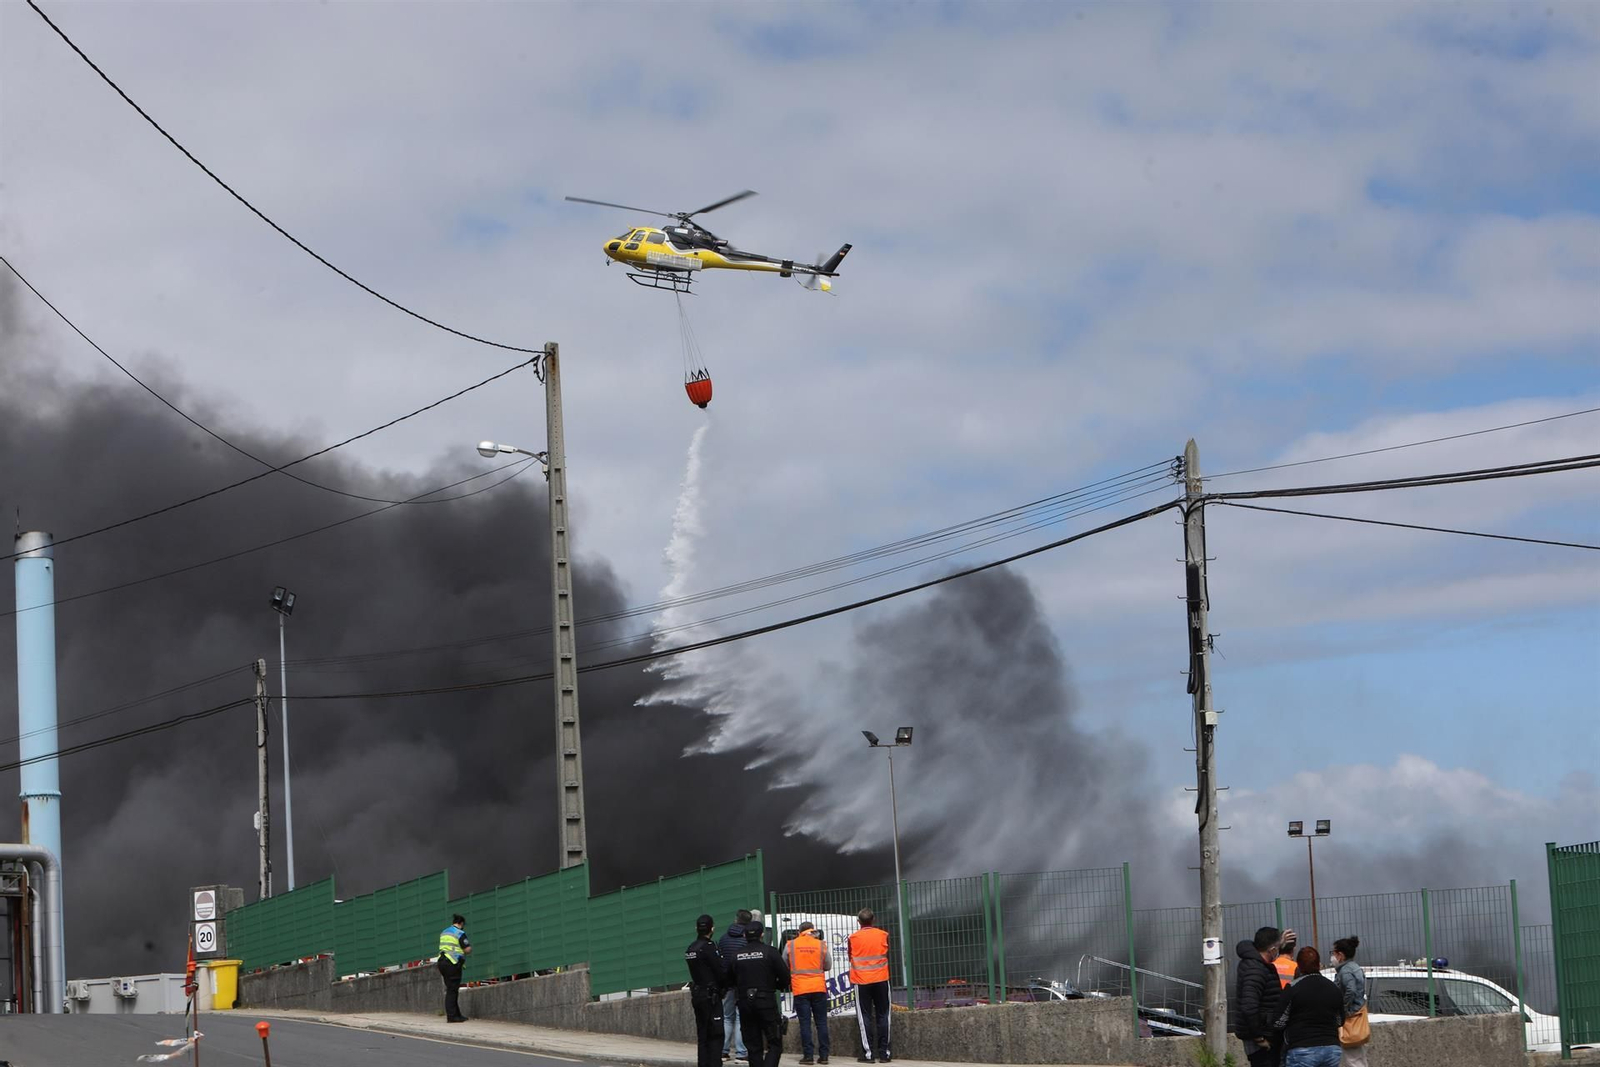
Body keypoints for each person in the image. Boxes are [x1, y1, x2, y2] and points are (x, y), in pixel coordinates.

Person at [1274, 946, 1344, 1067]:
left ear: (1299, 966)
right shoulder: (1333, 988)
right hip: (1331, 1049)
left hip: (1302, 1049)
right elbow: (1340, 1021)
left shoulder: (1293, 988)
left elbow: (1279, 1022)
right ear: (1318, 965)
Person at [732, 919, 790, 1067]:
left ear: (745, 935)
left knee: (753, 1046)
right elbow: (785, 976)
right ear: (762, 935)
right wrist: (776, 985)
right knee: (775, 1043)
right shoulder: (770, 952)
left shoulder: (737, 955)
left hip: (745, 1003)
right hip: (766, 1002)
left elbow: (729, 979)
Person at [1230, 926, 1284, 1067]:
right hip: (1261, 1038)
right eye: (1278, 947)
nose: (1278, 951)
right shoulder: (1256, 969)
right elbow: (1249, 1006)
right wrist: (1259, 1037)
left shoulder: (1255, 964)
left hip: (1263, 1032)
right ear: (1272, 950)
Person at [687, 914, 732, 1067]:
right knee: (715, 1035)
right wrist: (725, 986)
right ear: (712, 928)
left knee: (703, 1036)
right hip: (710, 996)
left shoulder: (691, 948)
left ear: (696, 928)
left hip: (698, 994)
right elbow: (719, 971)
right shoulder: (708, 947)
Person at [785, 921, 832, 1065]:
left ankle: (808, 1056)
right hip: (818, 988)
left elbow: (785, 964)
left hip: (800, 989)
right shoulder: (821, 944)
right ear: (812, 930)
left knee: (805, 1023)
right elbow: (828, 965)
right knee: (821, 1022)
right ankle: (824, 1056)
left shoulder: (791, 945)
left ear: (799, 931)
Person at [848, 908, 891, 1064]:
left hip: (861, 981)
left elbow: (850, 957)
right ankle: (884, 1054)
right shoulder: (883, 935)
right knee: (883, 1014)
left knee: (864, 1016)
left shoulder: (853, 938)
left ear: (858, 922)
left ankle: (868, 1054)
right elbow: (887, 955)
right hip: (881, 979)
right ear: (874, 920)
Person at [1331, 936, 1370, 1067]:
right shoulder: (1355, 967)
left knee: (1352, 1059)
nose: (1332, 957)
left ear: (1340, 955)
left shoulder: (1345, 971)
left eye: (1333, 953)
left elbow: (1351, 990)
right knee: (1359, 1057)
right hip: (1358, 1016)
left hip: (1350, 1019)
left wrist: (1343, 1009)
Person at [719, 909, 753, 1060]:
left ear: (735, 920)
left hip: (727, 983)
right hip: (743, 983)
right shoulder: (747, 940)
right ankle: (741, 1053)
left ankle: (723, 1051)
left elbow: (721, 959)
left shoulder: (724, 938)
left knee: (727, 1017)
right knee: (741, 1017)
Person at [437, 913, 472, 1023]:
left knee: (451, 989)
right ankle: (452, 1016)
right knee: (452, 990)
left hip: (442, 962)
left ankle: (457, 1014)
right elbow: (467, 949)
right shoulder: (460, 933)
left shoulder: (444, 932)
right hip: (452, 963)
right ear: (461, 923)